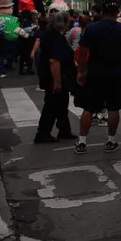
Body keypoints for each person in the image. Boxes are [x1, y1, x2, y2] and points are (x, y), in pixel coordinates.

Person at [73, 0, 121, 154]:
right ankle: (111, 140)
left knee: (89, 108)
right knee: (114, 107)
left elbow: (83, 52)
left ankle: (82, 141)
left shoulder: (91, 29)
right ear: (117, 12)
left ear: (102, 11)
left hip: (95, 72)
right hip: (116, 72)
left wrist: (80, 71)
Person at [34, 11, 77, 143]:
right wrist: (57, 81)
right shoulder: (55, 38)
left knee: (61, 104)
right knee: (52, 105)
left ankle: (64, 129)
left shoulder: (52, 36)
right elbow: (54, 61)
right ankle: (43, 133)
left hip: (56, 77)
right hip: (56, 78)